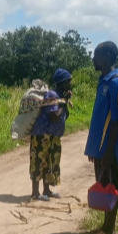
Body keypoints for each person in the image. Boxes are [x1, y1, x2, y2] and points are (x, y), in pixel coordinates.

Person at [84, 41, 118, 234]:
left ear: (109, 56)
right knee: (104, 187)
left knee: (111, 188)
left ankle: (110, 231)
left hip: (110, 150)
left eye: (97, 55)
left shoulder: (116, 83)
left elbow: (117, 121)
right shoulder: (103, 81)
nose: (94, 59)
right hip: (101, 149)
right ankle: (105, 226)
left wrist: (109, 152)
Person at [30, 68, 73, 201]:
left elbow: (64, 116)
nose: (70, 84)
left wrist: (65, 101)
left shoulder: (59, 96)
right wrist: (64, 103)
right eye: (68, 81)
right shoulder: (52, 95)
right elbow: (55, 116)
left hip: (53, 136)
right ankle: (35, 193)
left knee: (50, 162)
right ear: (61, 82)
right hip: (42, 135)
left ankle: (47, 190)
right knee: (39, 162)